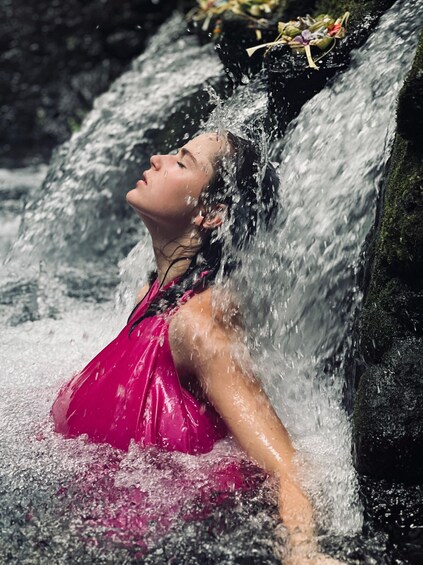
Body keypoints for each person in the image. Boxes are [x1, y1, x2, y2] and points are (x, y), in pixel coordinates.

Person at [51, 131, 337, 564]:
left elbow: (288, 466)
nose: (157, 158)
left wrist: (303, 550)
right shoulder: (154, 293)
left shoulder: (198, 324)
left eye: (181, 162)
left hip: (173, 541)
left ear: (211, 214)